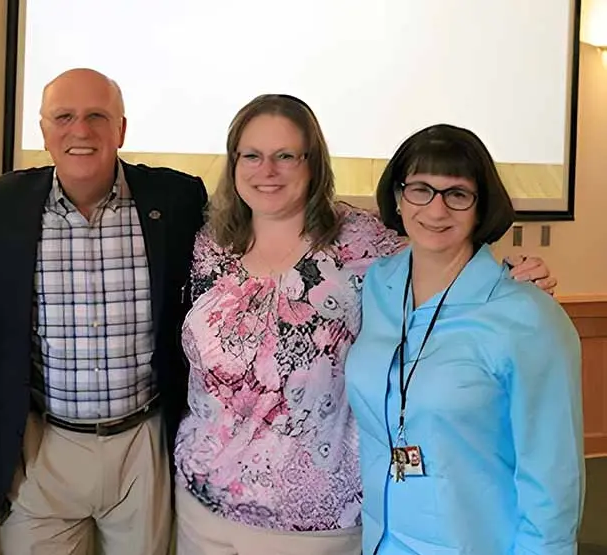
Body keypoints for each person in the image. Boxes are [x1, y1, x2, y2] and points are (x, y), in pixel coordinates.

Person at [173, 95, 556, 554]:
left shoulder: (363, 243)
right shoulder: (208, 245)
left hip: (316, 523)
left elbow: (448, 251)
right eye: (251, 155)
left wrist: (518, 272)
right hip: (200, 502)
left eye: (285, 156)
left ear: (313, 163)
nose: (266, 170)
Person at [0, 67, 208, 555]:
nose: (81, 131)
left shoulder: (177, 198)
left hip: (142, 444)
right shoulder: (5, 203)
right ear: (43, 131)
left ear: (121, 129)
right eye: (64, 116)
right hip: (42, 447)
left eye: (97, 116)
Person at [344, 123, 584, 554]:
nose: (436, 211)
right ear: (398, 199)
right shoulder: (377, 284)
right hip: (381, 541)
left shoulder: (528, 317)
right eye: (420, 189)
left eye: (457, 194)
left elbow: (551, 477)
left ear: (481, 206)